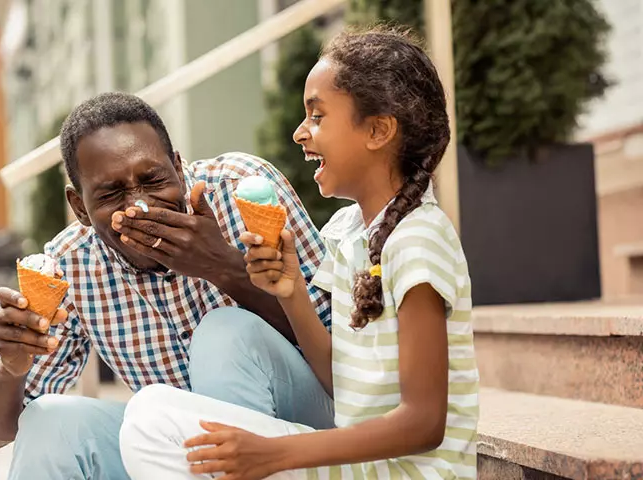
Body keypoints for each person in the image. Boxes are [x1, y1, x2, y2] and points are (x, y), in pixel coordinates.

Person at [119, 26, 479, 479]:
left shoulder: (419, 240)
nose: (299, 133)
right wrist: (291, 295)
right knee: (149, 410)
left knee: (153, 426)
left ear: (378, 130)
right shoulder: (349, 232)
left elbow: (424, 423)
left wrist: (274, 454)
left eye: (317, 116)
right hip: (360, 467)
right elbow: (343, 385)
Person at [0, 92, 333, 480]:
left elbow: (345, 353)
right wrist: (11, 368)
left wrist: (225, 270)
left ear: (177, 166)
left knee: (225, 332)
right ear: (80, 208)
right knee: (49, 423)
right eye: (111, 194)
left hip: (304, 435)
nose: (138, 206)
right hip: (174, 454)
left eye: (152, 179)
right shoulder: (70, 265)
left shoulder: (241, 189)